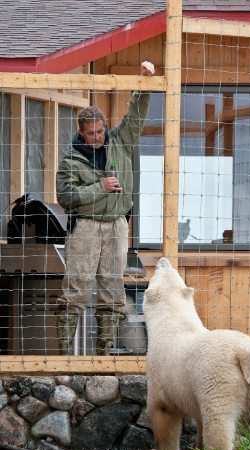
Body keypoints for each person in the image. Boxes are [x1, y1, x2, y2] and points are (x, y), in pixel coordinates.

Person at [55, 61, 155, 355]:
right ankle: (64, 357)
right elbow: (66, 197)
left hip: (117, 224)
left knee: (113, 290)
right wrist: (100, 188)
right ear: (81, 132)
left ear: (105, 128)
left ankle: (104, 355)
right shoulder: (71, 161)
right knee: (77, 288)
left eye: (100, 131)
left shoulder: (120, 143)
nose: (97, 137)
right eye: (91, 133)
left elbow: (135, 117)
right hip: (85, 225)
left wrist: (144, 84)